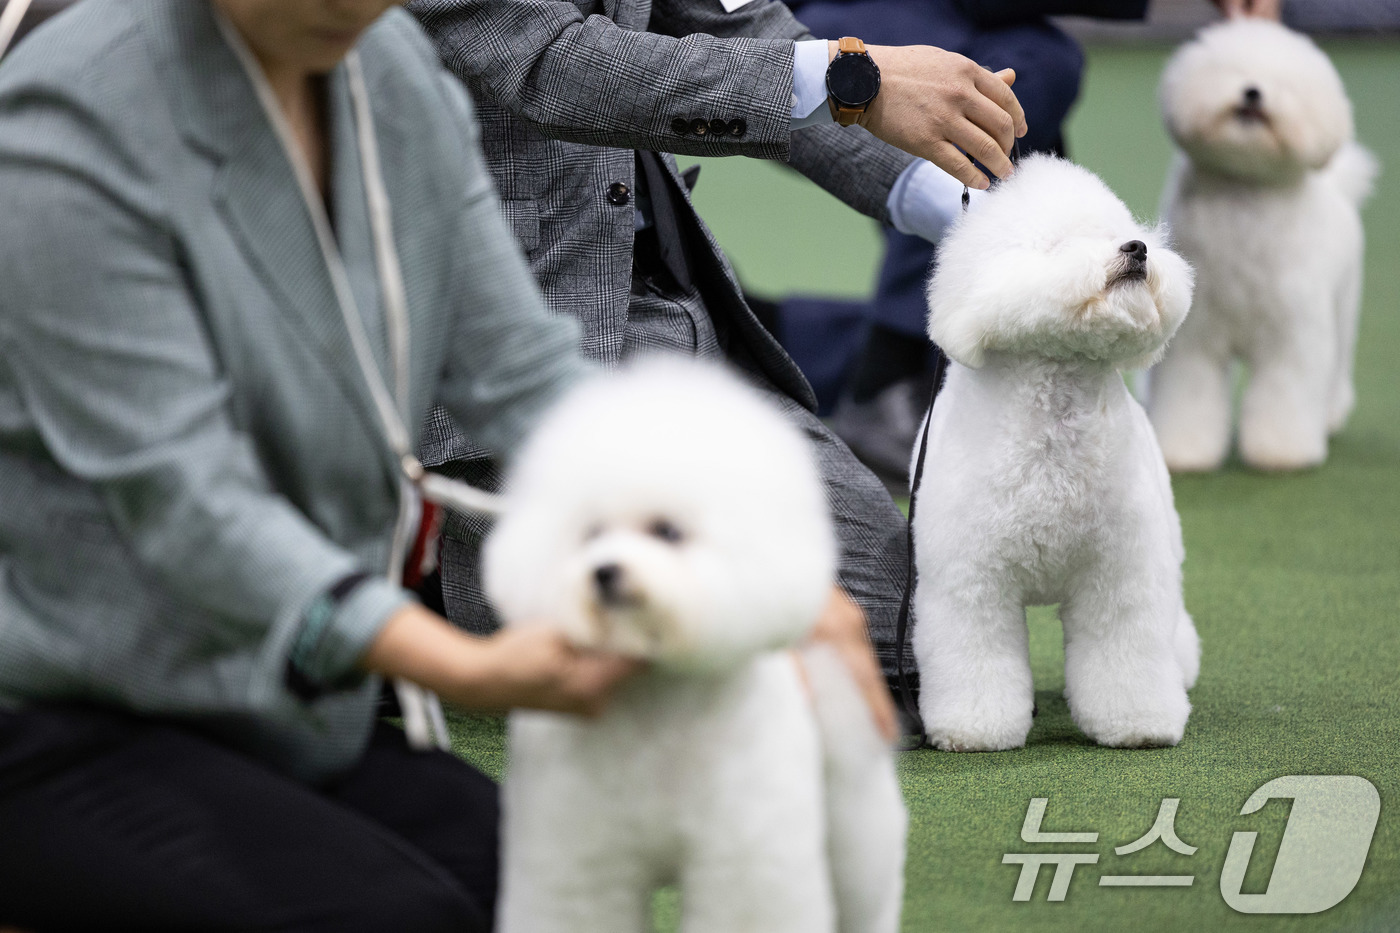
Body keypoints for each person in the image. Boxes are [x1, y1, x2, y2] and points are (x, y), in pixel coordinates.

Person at [0, 1, 643, 929]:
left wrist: (736, 543)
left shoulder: (392, 70)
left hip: (274, 701)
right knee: (397, 914)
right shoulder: (66, 119)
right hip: (53, 711)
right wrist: (460, 666)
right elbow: (191, 504)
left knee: (557, 884)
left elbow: (526, 374)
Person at [407, 0, 1028, 689]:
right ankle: (411, 566)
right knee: (703, 668)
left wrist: (988, 215)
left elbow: (741, 22)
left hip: (671, 319)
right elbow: (556, 62)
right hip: (514, 342)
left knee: (922, 647)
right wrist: (854, 79)